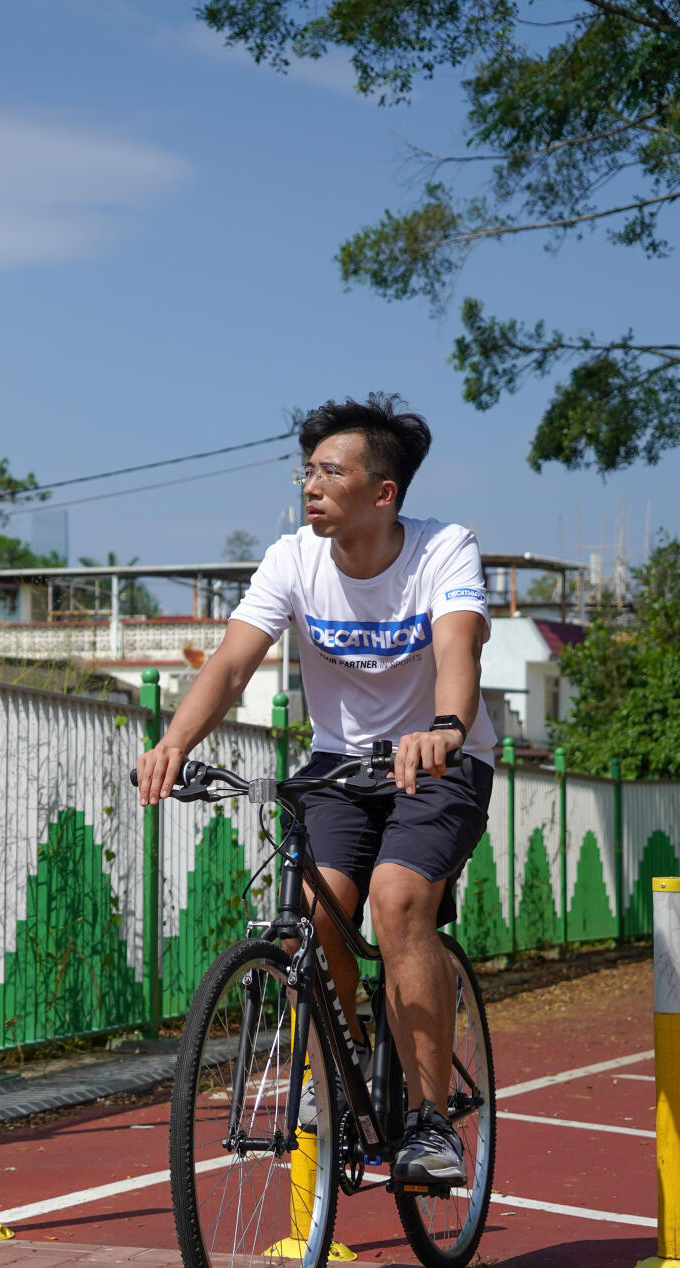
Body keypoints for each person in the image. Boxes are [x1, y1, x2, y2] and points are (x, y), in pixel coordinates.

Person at [135, 393, 494, 1184]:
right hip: (338, 766)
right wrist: (173, 742)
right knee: (311, 915)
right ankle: (343, 1062)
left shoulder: (444, 549)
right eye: (308, 472)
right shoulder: (291, 559)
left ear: (383, 492)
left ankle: (432, 1124)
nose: (311, 485)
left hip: (438, 762)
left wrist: (444, 726)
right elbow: (230, 666)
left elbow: (460, 648)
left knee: (399, 902)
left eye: (331, 471)